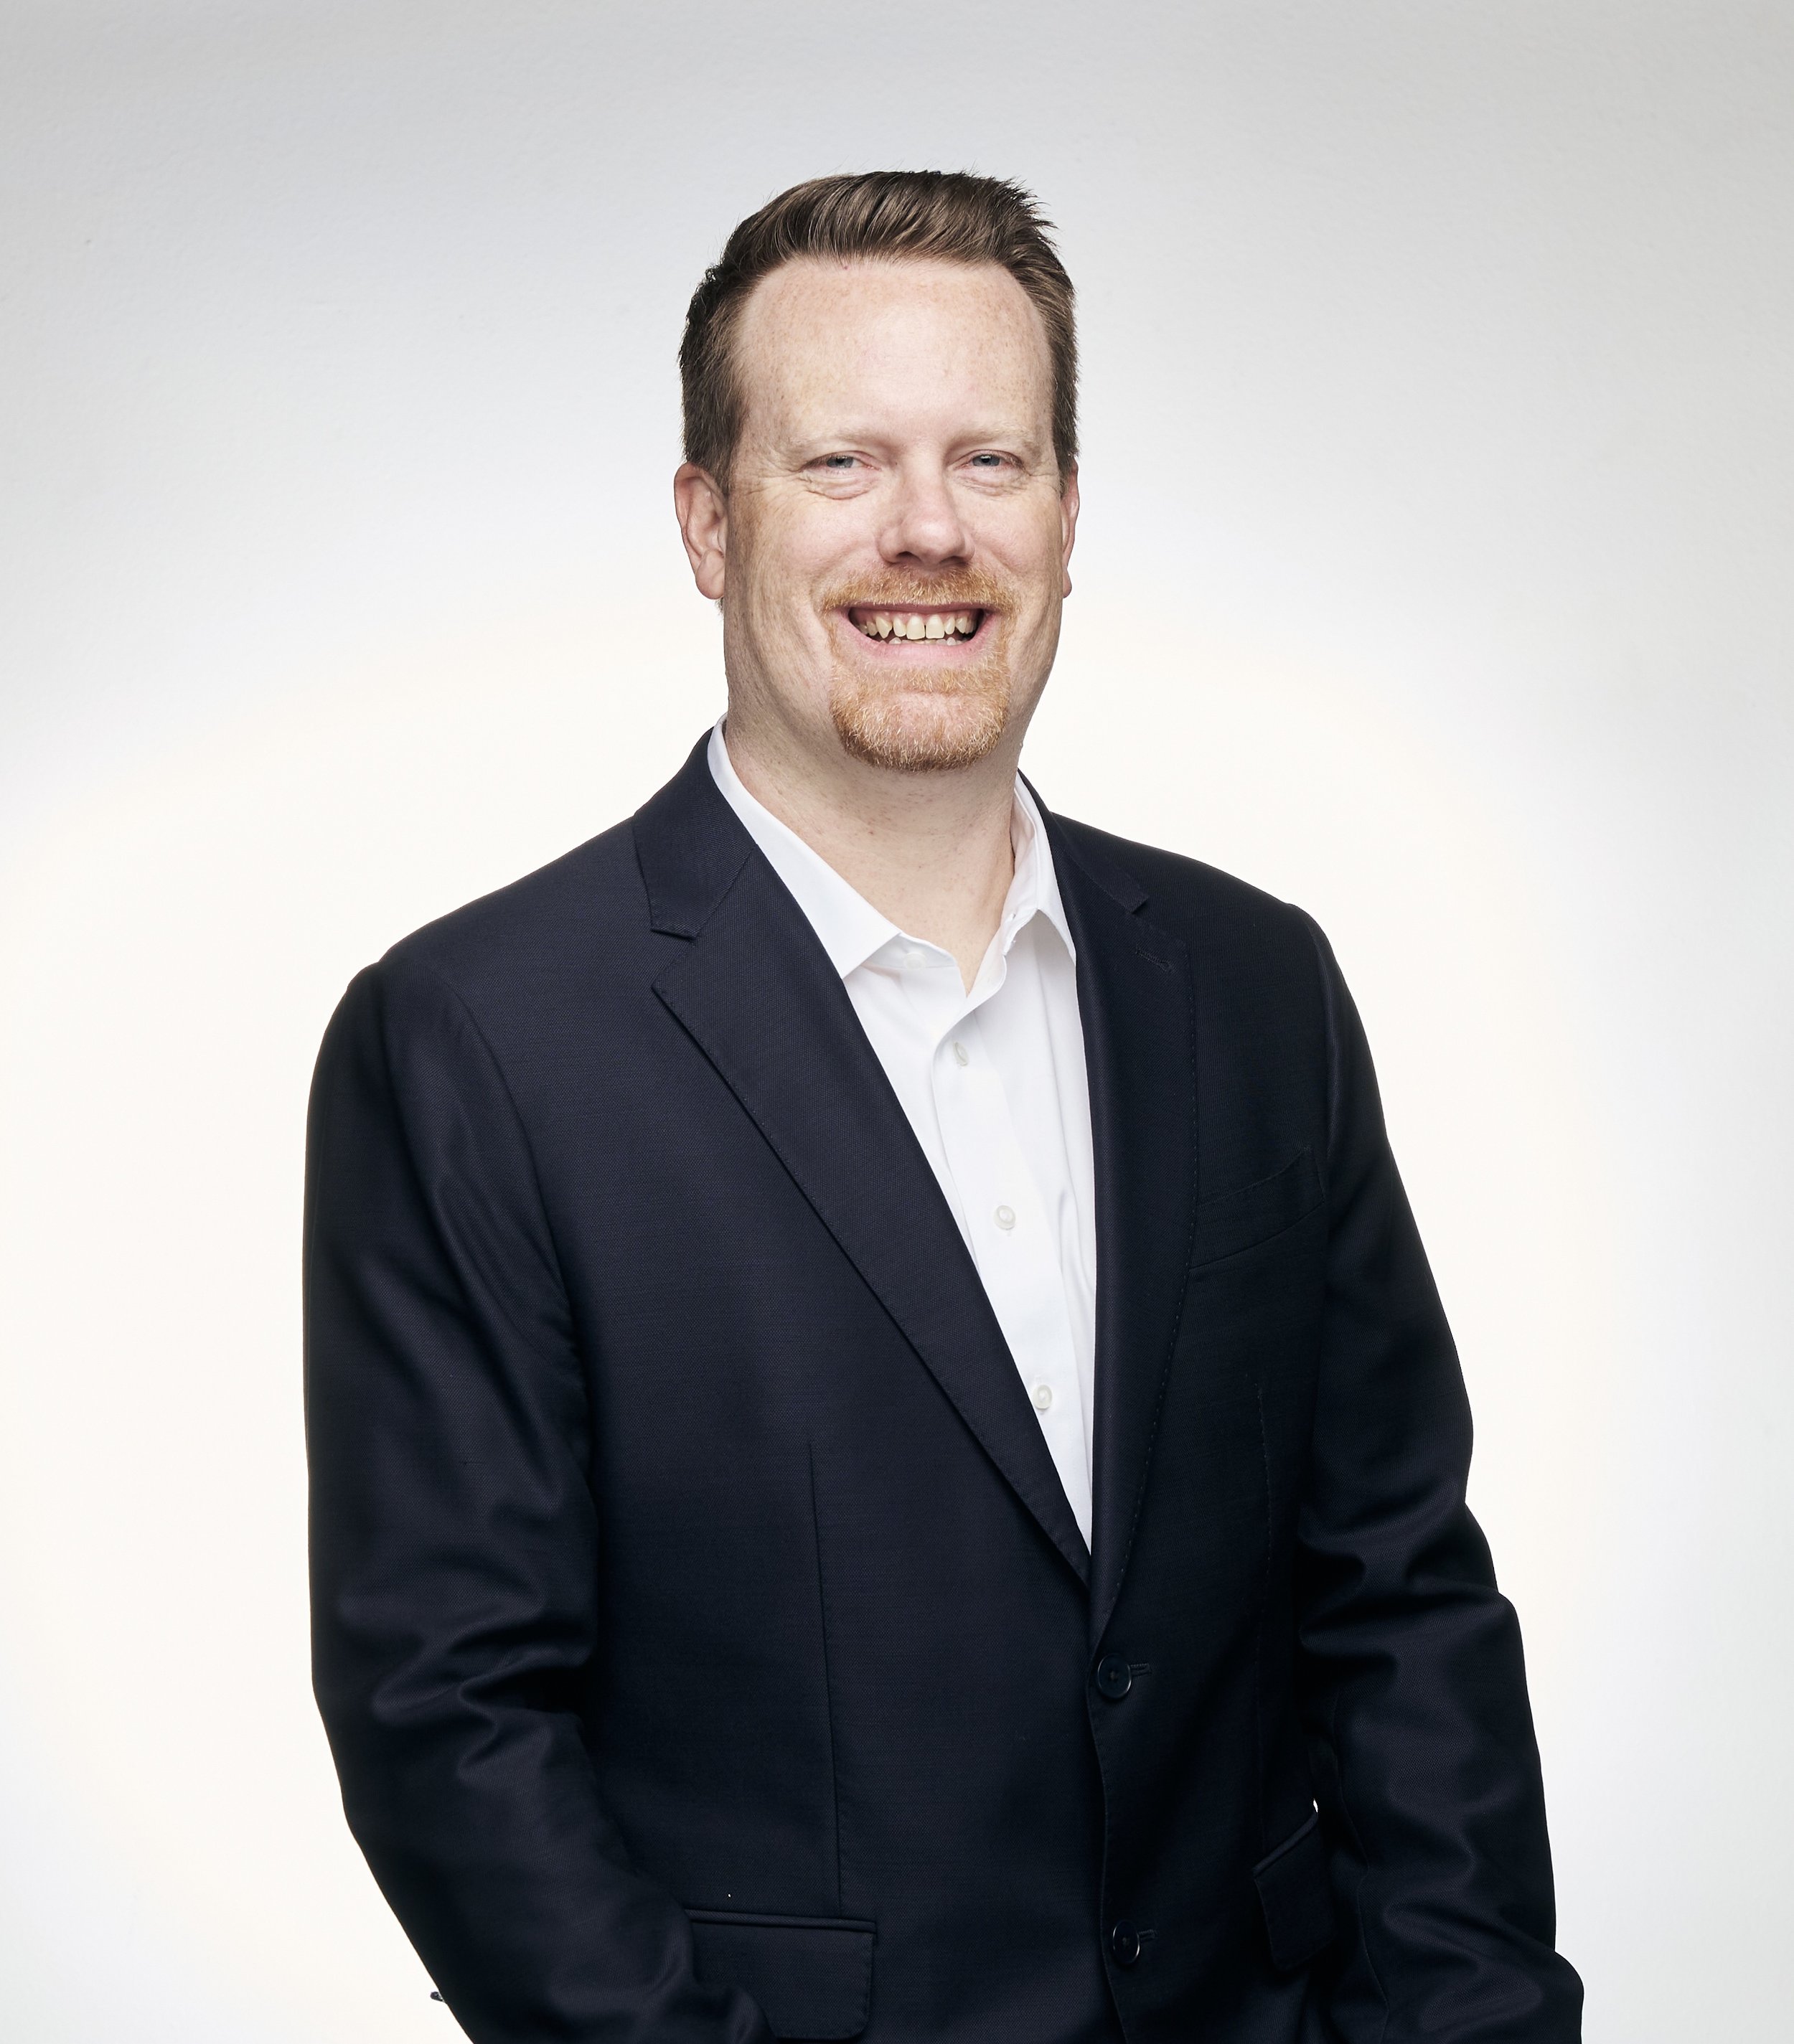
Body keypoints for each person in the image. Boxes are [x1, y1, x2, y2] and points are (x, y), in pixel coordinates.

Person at [304, 171, 1582, 2044]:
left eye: (991, 460)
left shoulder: (1253, 986)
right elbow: (452, 1724)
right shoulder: (475, 1041)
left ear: (1064, 516)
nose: (928, 529)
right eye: (841, 463)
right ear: (707, 523)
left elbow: (1401, 1597)